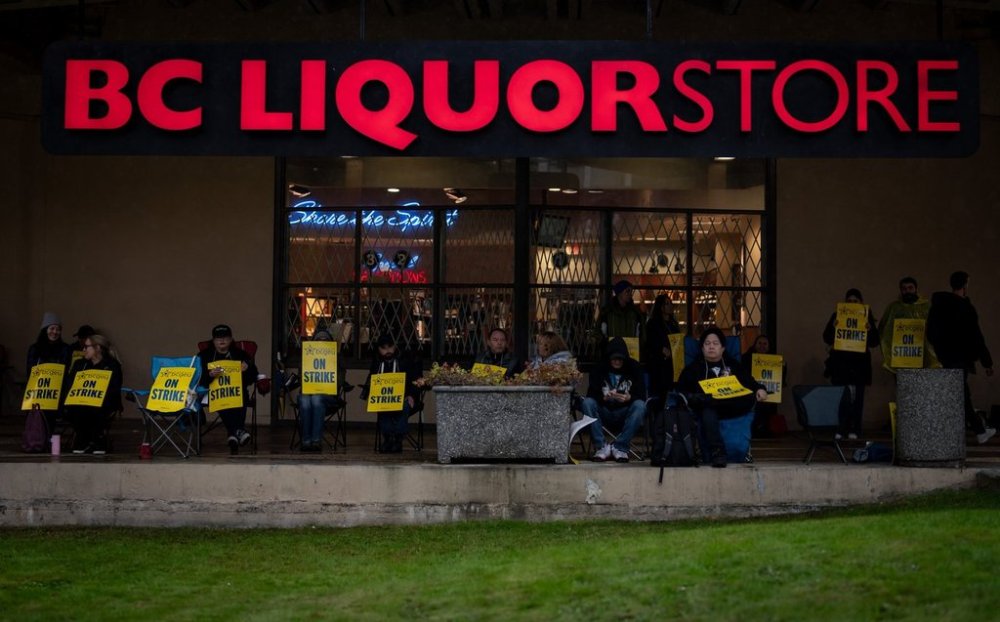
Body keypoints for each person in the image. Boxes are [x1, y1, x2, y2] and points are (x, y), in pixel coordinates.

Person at [678, 326, 767, 468]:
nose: (711, 347)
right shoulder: (692, 369)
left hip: (731, 407)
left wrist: (760, 389)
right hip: (708, 409)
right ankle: (718, 452)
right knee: (707, 407)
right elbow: (681, 391)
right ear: (701, 348)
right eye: (707, 344)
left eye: (715, 343)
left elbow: (750, 382)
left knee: (751, 397)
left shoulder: (733, 366)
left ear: (723, 348)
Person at [926, 271, 996, 444]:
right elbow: (977, 336)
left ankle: (974, 430)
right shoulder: (966, 308)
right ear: (965, 285)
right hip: (960, 357)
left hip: (946, 356)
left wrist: (941, 349)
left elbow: (931, 332)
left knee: (957, 394)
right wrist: (986, 362)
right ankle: (979, 430)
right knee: (961, 395)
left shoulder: (939, 305)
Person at [823, 288, 880, 439]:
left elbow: (875, 342)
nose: (852, 303)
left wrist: (870, 329)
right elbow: (827, 338)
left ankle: (855, 429)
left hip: (859, 366)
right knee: (842, 398)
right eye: (849, 301)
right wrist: (833, 326)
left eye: (855, 301)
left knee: (858, 399)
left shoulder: (867, 317)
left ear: (861, 303)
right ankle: (841, 428)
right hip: (841, 364)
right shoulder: (837, 316)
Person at [581, 336, 647, 463]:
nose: (617, 362)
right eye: (614, 358)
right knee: (587, 403)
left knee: (640, 406)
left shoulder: (634, 368)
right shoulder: (600, 368)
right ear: (608, 357)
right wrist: (604, 397)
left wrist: (629, 397)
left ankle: (620, 447)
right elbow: (591, 394)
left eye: (620, 359)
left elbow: (641, 395)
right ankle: (601, 447)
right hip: (604, 410)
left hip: (625, 412)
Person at [197, 324, 258, 454]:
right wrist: (209, 375)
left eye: (225, 337)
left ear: (231, 339)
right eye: (218, 338)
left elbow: (253, 377)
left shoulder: (240, 354)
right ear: (213, 341)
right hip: (212, 392)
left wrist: (247, 370)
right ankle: (238, 430)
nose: (222, 341)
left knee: (240, 395)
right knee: (221, 396)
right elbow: (197, 379)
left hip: (236, 392)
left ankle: (232, 434)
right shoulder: (204, 356)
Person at [360, 333, 423, 453]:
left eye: (390, 347)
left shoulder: (405, 360)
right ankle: (388, 438)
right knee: (382, 407)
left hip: (405, 397)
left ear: (395, 347)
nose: (387, 351)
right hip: (386, 399)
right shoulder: (378, 363)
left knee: (403, 406)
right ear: (378, 349)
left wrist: (411, 395)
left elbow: (416, 380)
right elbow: (371, 381)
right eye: (383, 348)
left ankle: (397, 439)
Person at [65, 334, 123, 454]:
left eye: (87, 347)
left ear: (97, 348)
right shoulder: (80, 364)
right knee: (72, 407)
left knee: (96, 407)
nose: (83, 350)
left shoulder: (112, 365)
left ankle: (97, 440)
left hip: (104, 402)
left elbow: (115, 388)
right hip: (81, 401)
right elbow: (71, 384)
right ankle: (84, 439)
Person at [296, 328, 350, 452]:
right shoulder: (307, 356)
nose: (321, 342)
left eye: (325, 340)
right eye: (318, 340)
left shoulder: (336, 357)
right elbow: (301, 378)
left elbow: (340, 380)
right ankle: (306, 440)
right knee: (305, 400)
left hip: (328, 396)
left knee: (316, 398)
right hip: (307, 393)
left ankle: (315, 441)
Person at [25, 312, 73, 433]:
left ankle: (50, 440)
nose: (55, 332)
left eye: (58, 329)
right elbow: (30, 369)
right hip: (39, 389)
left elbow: (65, 367)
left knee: (52, 417)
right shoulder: (35, 348)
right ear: (45, 330)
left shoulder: (65, 348)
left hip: (57, 390)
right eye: (52, 328)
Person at [877, 276, 935, 372]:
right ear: (900, 290)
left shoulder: (926, 307)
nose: (907, 291)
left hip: (923, 359)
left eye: (910, 288)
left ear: (916, 289)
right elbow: (884, 330)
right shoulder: (893, 308)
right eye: (904, 289)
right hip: (900, 358)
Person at [741, 334, 784, 438]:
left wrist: (783, 366)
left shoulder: (774, 359)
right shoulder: (746, 358)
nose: (762, 346)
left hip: (768, 391)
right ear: (755, 345)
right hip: (751, 390)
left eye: (765, 344)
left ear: (769, 346)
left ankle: (764, 428)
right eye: (759, 343)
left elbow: (780, 377)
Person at [643, 294, 682, 408]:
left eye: (671, 303)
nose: (670, 306)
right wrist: (661, 349)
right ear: (661, 307)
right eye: (667, 303)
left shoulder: (673, 323)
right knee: (661, 394)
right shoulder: (653, 324)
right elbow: (650, 342)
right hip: (660, 365)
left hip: (674, 363)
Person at [596, 280, 645, 347]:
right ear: (619, 293)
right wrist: (604, 343)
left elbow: (642, 332)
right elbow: (598, 331)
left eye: (631, 291)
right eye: (627, 291)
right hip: (613, 351)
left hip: (631, 350)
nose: (630, 294)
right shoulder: (607, 311)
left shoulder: (635, 312)